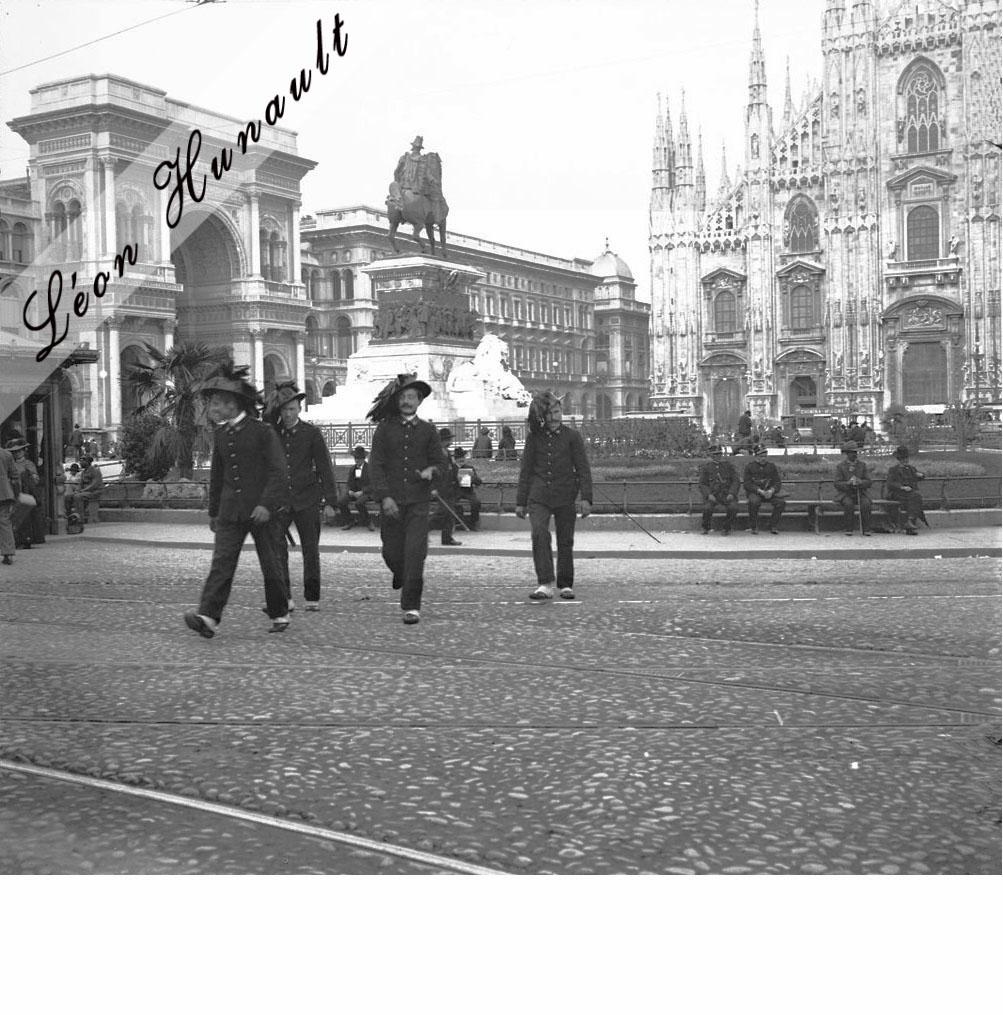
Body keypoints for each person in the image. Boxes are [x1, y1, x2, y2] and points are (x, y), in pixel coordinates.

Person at [184, 366, 291, 639]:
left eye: (219, 402)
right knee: (222, 563)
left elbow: (279, 472)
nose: (214, 407)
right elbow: (218, 477)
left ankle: (280, 611)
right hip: (231, 511)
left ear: (234, 404)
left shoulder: (263, 432)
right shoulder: (221, 435)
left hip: (262, 511)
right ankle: (208, 617)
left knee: (271, 563)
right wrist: (214, 512)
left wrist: (267, 504)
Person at [368, 374, 447, 625]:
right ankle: (400, 573)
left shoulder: (428, 430)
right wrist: (384, 497)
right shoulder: (384, 429)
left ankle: (411, 606)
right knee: (391, 552)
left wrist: (431, 471)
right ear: (396, 401)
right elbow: (376, 466)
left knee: (415, 554)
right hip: (391, 502)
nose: (407, 401)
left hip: (418, 502)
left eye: (411, 397)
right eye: (402, 397)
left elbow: (440, 463)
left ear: (419, 401)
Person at [266, 380, 338, 612]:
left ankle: (312, 596)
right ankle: (285, 596)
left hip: (307, 498)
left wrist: (330, 502)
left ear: (299, 409)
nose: (287, 414)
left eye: (292, 409)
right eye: (284, 409)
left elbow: (325, 467)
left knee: (310, 549)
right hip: (281, 502)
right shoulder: (273, 433)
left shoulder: (311, 433)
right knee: (277, 550)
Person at [515, 390, 592, 600]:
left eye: (557, 412)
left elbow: (583, 468)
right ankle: (545, 583)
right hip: (538, 496)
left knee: (565, 540)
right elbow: (526, 471)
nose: (555, 417)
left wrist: (586, 498)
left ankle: (565, 583)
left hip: (565, 494)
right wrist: (521, 502)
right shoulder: (534, 438)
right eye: (550, 413)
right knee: (539, 534)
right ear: (543, 415)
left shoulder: (572, 437)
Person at [743, 444, 786, 534]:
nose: (763, 458)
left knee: (780, 503)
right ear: (756, 456)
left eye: (765, 456)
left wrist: (772, 490)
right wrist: (759, 491)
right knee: (754, 502)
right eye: (761, 456)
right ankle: (754, 526)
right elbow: (747, 484)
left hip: (769, 492)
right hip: (756, 492)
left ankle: (773, 525)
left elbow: (777, 482)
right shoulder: (750, 467)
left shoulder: (771, 466)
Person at [6, 438, 41, 548]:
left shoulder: (28, 464)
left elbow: (35, 479)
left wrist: (28, 478)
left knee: (26, 518)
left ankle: (26, 540)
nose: (17, 453)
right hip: (13, 493)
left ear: (23, 451)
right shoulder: (10, 464)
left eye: (19, 451)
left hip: (26, 493)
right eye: (14, 452)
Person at [431, 428, 463, 547]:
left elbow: (452, 467)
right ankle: (422, 530)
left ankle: (447, 538)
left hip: (450, 486)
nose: (450, 441)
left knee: (450, 513)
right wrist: (432, 488)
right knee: (442, 512)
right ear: (442, 440)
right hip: (440, 487)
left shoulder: (447, 452)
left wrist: (456, 476)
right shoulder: (435, 453)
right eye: (448, 439)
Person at [698, 444, 740, 535]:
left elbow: (736, 481)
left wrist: (732, 493)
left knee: (733, 507)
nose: (718, 456)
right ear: (711, 455)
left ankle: (726, 528)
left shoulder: (728, 466)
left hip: (726, 494)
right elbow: (702, 484)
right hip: (713, 494)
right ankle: (705, 527)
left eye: (719, 454)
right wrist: (709, 495)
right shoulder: (706, 467)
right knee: (707, 508)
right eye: (715, 454)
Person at [834, 441, 873, 536]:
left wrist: (861, 482)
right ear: (847, 453)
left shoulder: (862, 465)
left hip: (860, 492)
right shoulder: (841, 466)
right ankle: (849, 529)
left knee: (866, 504)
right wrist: (847, 483)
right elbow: (837, 483)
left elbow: (868, 481)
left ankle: (866, 529)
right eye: (852, 452)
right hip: (846, 493)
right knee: (848, 504)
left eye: (855, 452)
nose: (854, 454)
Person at [885, 445, 925, 535]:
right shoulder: (893, 470)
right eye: (903, 458)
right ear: (899, 459)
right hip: (897, 493)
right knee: (916, 497)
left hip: (910, 493)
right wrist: (902, 487)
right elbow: (890, 484)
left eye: (906, 458)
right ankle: (910, 523)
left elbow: (920, 476)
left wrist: (921, 475)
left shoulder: (911, 469)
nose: (905, 460)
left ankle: (910, 523)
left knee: (915, 497)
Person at [337, 445, 374, 530]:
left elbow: (373, 485)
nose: (357, 460)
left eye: (359, 458)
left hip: (366, 493)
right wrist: (349, 490)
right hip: (354, 493)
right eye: (355, 458)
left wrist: (362, 492)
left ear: (363, 458)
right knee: (341, 501)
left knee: (359, 503)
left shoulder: (370, 469)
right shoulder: (352, 469)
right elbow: (349, 483)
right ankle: (350, 521)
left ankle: (368, 522)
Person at [66, 453, 104, 523]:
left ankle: (80, 518)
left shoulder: (95, 471)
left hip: (94, 491)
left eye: (82, 460)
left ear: (88, 462)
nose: (80, 462)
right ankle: (69, 517)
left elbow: (94, 484)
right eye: (80, 460)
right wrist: (77, 490)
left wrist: (82, 490)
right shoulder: (83, 472)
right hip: (85, 491)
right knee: (68, 497)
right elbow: (80, 483)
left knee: (78, 497)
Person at [0, 441, 20, 565]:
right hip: (4, 493)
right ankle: (8, 553)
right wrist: (16, 494)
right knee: (4, 523)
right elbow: (15, 476)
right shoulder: (6, 454)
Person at [453, 446, 483, 530]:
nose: (462, 461)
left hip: (468, 491)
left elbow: (479, 482)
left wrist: (473, 477)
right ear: (456, 459)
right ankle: (457, 522)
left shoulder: (469, 468)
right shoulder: (452, 468)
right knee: (452, 502)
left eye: (463, 459)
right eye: (459, 459)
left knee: (476, 502)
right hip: (455, 491)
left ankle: (473, 522)